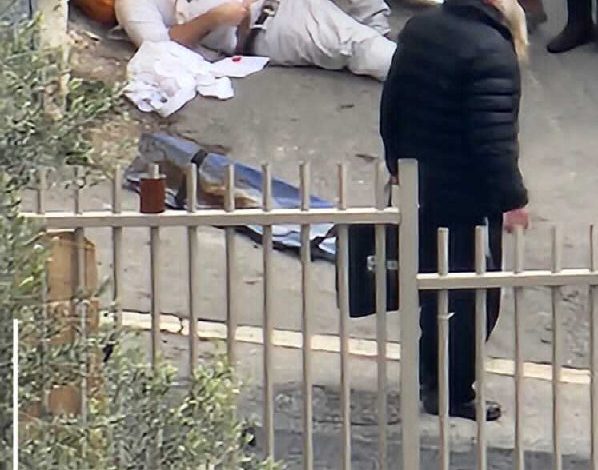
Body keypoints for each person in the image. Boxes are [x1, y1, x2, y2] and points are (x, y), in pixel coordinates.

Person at [380, 0, 530, 421]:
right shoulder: (492, 51)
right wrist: (512, 200)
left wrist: (396, 162)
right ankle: (453, 391)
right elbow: (493, 139)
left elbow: (392, 104)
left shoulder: (420, 28)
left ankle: (431, 375)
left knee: (435, 287)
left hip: (423, 186)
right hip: (468, 197)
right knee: (474, 298)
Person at [114, 0, 397, 81]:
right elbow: (162, 54)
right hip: (271, 22)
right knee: (362, 47)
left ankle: (376, 27)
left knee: (370, 33)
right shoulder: (134, 5)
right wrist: (213, 19)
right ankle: (413, 71)